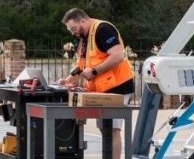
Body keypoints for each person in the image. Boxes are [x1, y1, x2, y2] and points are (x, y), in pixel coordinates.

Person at [56, 8, 135, 159]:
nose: (72, 33)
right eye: (70, 30)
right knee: (104, 128)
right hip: (103, 89)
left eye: (73, 28)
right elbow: (81, 64)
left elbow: (118, 55)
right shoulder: (85, 36)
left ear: (83, 21)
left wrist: (95, 71)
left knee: (112, 129)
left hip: (118, 87)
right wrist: (68, 80)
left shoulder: (103, 30)